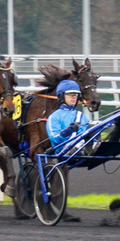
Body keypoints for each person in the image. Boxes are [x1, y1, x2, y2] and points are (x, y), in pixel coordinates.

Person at [44, 79, 91, 222]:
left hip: (81, 148)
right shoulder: (54, 117)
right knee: (78, 142)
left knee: (92, 132)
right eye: (70, 95)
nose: (74, 97)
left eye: (76, 95)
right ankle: (82, 148)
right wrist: (68, 131)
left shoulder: (81, 116)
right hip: (63, 150)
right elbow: (55, 139)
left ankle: (92, 147)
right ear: (61, 96)